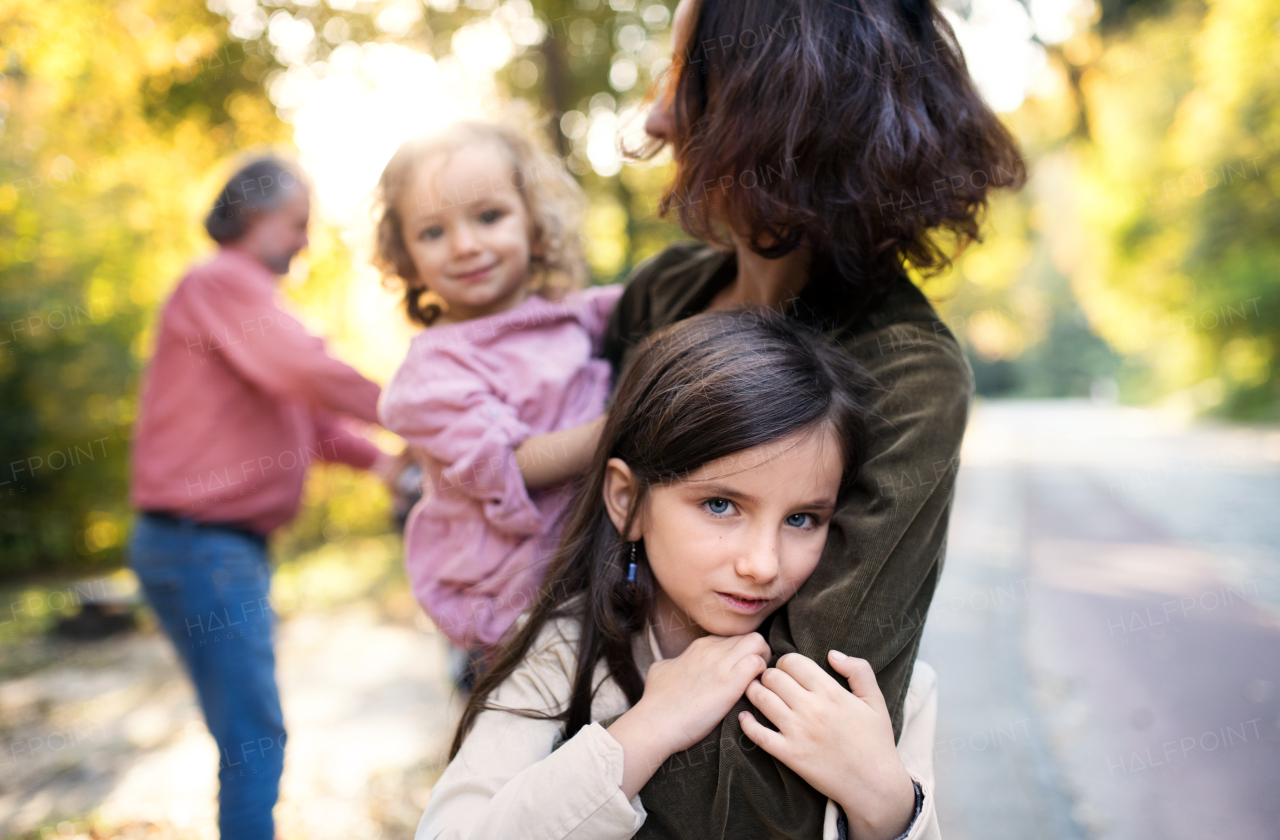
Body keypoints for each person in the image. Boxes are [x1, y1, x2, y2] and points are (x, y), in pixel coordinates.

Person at [599, 1, 1028, 836]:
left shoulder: (907, 373)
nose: (656, 116)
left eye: (686, 77)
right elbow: (590, 549)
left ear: (781, 108)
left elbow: (795, 734)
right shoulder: (662, 293)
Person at [419, 311, 939, 840]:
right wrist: (649, 727)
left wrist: (890, 802)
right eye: (720, 505)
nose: (762, 565)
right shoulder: (563, 651)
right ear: (628, 501)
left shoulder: (866, 675)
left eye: (802, 519)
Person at [128, 157, 400, 840]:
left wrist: (389, 466)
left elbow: (308, 420)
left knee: (247, 732)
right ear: (254, 216)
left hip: (211, 547)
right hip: (202, 544)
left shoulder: (246, 305)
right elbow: (306, 370)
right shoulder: (219, 281)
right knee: (255, 736)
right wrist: (421, 410)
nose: (307, 242)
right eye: (298, 224)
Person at [375, 122, 623, 684]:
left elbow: (665, 299)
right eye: (433, 232)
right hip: (510, 603)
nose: (465, 245)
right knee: (527, 738)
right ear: (407, 257)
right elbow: (511, 464)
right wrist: (625, 422)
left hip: (587, 575)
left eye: (489, 217)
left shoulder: (572, 312)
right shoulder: (433, 372)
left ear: (534, 224)